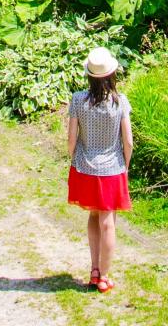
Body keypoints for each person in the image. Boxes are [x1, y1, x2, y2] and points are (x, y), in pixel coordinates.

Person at [66, 45, 131, 293]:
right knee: (108, 222)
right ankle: (104, 276)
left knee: (93, 216)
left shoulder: (78, 100)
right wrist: (125, 165)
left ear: (89, 75)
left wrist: (73, 160)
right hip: (112, 168)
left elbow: (71, 139)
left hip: (84, 166)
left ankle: (94, 271)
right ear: (112, 74)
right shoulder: (120, 102)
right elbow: (128, 141)